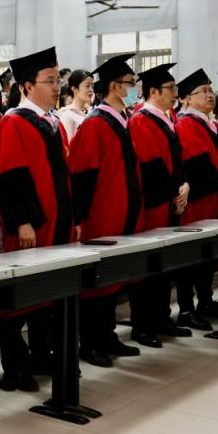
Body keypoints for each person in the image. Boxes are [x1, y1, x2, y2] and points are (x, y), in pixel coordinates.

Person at [0, 47, 69, 389]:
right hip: (31, 226)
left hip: (56, 221)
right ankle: (15, 365)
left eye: (58, 80)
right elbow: (10, 174)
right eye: (49, 81)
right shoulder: (13, 122)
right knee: (19, 297)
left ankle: (41, 355)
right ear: (26, 86)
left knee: (46, 293)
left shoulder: (53, 122)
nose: (57, 87)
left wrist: (72, 218)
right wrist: (22, 222)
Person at [70, 54, 148, 364]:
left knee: (113, 280)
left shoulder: (122, 120)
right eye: (131, 83)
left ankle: (107, 335)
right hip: (101, 216)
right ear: (115, 86)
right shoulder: (95, 124)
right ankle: (90, 343)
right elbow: (82, 175)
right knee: (96, 284)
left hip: (123, 214)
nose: (135, 89)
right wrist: (80, 218)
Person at [128, 62, 193, 337]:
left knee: (165, 264)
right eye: (170, 88)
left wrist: (184, 185)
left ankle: (162, 318)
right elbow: (150, 164)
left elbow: (177, 161)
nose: (175, 93)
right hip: (154, 203)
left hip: (169, 199)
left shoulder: (167, 118)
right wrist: (174, 192)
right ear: (153, 91)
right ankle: (143, 324)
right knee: (148, 265)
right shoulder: (141, 119)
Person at [174, 69, 218, 330]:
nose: (210, 95)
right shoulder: (186, 123)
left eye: (211, 91)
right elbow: (197, 162)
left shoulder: (212, 124)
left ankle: (206, 301)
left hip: (216, 200)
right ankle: (186, 308)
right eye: (203, 92)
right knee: (190, 257)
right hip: (198, 201)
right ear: (187, 98)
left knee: (208, 255)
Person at [58, 69, 93, 140]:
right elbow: (68, 144)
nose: (91, 90)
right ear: (74, 88)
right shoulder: (67, 115)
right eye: (87, 86)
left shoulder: (92, 111)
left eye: (92, 86)